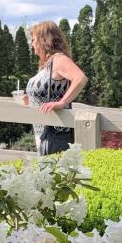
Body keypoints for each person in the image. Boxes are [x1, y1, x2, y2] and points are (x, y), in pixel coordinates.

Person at [20, 21, 87, 155]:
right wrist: (31, 98)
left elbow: (80, 78)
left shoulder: (59, 59)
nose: (32, 44)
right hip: (44, 134)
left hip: (56, 136)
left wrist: (62, 102)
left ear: (43, 40)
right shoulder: (46, 65)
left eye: (33, 40)